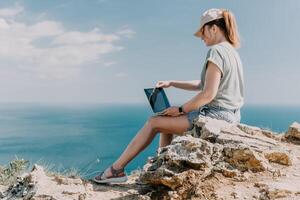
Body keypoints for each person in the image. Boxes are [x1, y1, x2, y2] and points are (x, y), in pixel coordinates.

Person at [93, 8, 244, 184]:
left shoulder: (216, 51)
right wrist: (172, 82)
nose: (201, 37)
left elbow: (208, 94)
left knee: (153, 122)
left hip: (215, 116)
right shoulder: (232, 53)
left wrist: (180, 109)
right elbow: (203, 84)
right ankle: (161, 166)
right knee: (165, 121)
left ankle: (115, 170)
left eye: (202, 32)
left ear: (213, 28)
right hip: (231, 115)